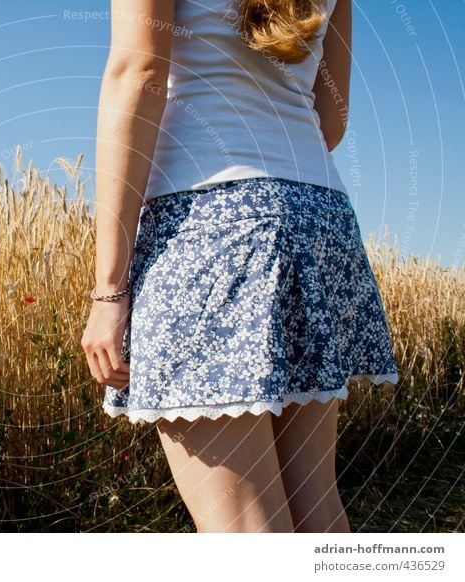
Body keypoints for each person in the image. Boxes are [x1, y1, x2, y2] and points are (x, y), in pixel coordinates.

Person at [80, 0, 399, 533]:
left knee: (243, 527)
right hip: (317, 215)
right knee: (315, 506)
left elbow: (139, 71)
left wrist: (109, 290)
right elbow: (331, 114)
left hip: (209, 223)